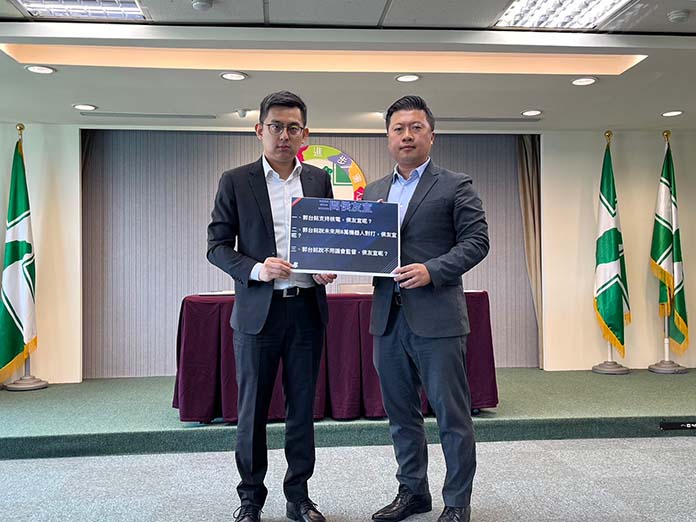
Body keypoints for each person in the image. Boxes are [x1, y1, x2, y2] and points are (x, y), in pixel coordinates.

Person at [207, 91, 336, 522]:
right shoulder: (235, 180)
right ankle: (250, 500)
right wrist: (257, 269)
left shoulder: (317, 180)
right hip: (257, 314)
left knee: (302, 410)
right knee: (252, 411)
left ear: (305, 133)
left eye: (293, 127)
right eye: (276, 126)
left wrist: (326, 267)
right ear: (259, 130)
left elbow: (326, 241)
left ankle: (299, 497)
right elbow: (217, 247)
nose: (284, 135)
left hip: (306, 311)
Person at [364, 95, 489, 522]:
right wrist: (332, 263)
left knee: (452, 416)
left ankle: (457, 502)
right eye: (398, 129)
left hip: (438, 319)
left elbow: (477, 242)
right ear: (388, 138)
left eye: (416, 127)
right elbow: (363, 247)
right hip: (387, 319)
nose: (407, 135)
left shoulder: (456, 185)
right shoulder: (374, 192)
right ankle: (413, 493)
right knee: (401, 416)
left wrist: (432, 270)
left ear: (431, 136)